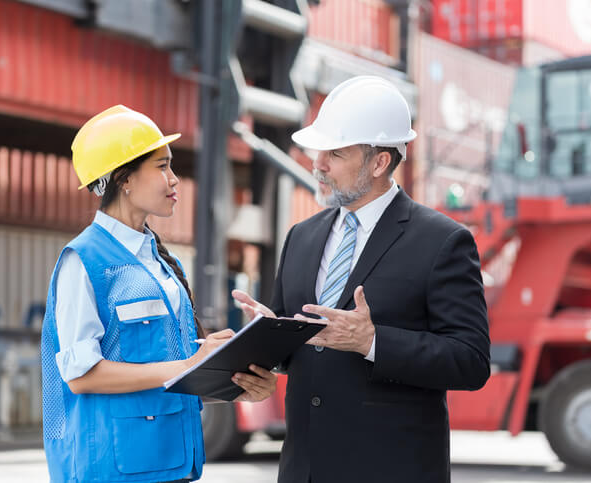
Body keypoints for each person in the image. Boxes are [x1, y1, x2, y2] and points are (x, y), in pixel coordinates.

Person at [232, 76, 490, 483]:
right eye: (319, 151)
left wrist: (372, 342)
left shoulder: (442, 242)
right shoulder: (302, 236)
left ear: (379, 162)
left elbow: (471, 361)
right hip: (305, 471)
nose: (317, 164)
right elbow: (300, 348)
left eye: (335, 152)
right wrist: (269, 335)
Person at [40, 105, 277, 483]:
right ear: (124, 178)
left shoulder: (162, 265)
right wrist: (188, 364)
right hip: (111, 470)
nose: (175, 179)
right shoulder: (83, 261)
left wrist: (235, 383)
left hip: (171, 465)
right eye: (162, 166)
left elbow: (165, 374)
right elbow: (81, 375)